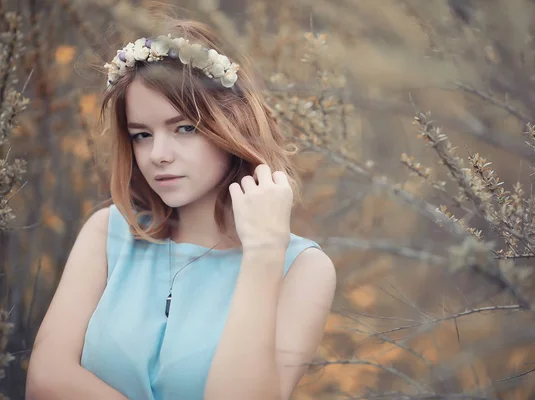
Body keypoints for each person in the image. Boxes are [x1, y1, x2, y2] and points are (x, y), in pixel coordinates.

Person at [25, 15, 336, 400]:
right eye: (141, 135)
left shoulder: (302, 269)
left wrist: (264, 255)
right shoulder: (109, 233)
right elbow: (46, 379)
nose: (158, 155)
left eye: (184, 128)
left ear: (230, 127)